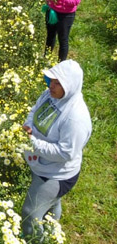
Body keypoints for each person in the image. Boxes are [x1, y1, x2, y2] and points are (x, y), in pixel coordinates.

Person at [21, 60, 91, 240]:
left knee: (30, 213)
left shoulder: (76, 118)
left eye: (58, 82)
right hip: (42, 163)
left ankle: (35, 240)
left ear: (70, 85)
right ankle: (53, 231)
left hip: (56, 174)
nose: (51, 85)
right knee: (52, 203)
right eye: (51, 79)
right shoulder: (50, 95)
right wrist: (28, 126)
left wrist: (32, 142)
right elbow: (35, 110)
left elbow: (65, 153)